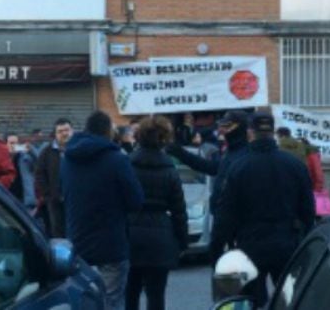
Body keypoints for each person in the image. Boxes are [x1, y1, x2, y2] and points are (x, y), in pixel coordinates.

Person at [209, 112, 315, 307]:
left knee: (250, 301)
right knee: (291, 299)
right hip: (286, 243)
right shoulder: (295, 165)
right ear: (273, 132)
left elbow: (225, 214)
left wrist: (216, 248)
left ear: (251, 132)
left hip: (249, 245)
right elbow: (308, 211)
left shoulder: (238, 167)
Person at [61, 111, 144, 310]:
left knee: (82, 300)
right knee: (112, 301)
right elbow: (136, 200)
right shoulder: (117, 159)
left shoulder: (67, 159)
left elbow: (63, 192)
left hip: (78, 240)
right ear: (108, 131)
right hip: (111, 243)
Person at [126, 116, 188, 310]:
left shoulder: (127, 164)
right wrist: (182, 240)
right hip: (160, 235)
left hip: (130, 233)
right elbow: (179, 210)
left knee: (130, 293)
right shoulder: (170, 169)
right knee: (156, 295)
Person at [167, 110, 250, 217]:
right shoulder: (231, 151)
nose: (220, 130)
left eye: (226, 126)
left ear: (239, 128)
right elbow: (211, 167)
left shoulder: (244, 155)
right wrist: (180, 153)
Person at [35, 118, 73, 238]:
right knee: (58, 232)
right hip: (55, 201)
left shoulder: (79, 149)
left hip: (75, 200)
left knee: (76, 231)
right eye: (60, 131)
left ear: (72, 131)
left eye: (67, 130)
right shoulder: (46, 152)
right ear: (55, 134)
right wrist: (48, 195)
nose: (64, 134)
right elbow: (39, 174)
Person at [5, 133, 36, 211]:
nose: (14, 146)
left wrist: (31, 150)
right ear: (5, 145)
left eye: (16, 143)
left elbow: (39, 163)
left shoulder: (25, 158)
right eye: (11, 143)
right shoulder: (2, 159)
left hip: (23, 199)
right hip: (6, 198)